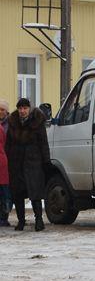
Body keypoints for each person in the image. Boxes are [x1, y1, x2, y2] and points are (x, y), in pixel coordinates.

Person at [6, 98, 51, 232]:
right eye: (20, 108)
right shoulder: (13, 122)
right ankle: (21, 221)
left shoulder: (37, 122)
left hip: (33, 162)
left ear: (29, 109)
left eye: (25, 108)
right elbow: (8, 143)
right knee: (18, 194)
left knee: (35, 193)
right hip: (16, 162)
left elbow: (44, 143)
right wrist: (9, 159)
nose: (22, 111)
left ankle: (39, 220)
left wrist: (46, 161)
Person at [0, 99, 11, 227]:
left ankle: (4, 216)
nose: (0, 112)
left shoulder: (10, 124)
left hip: (7, 160)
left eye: (2, 109)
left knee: (5, 191)